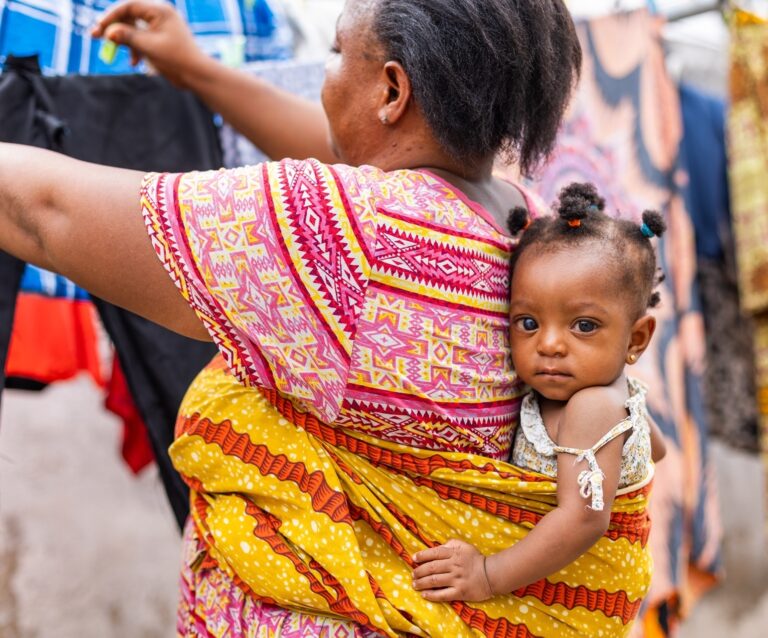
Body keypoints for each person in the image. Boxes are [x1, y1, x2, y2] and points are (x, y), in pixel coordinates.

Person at [0, 1, 656, 636]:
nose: (328, 73)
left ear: (393, 90)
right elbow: (361, 150)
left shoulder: (346, 231)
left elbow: (45, 212)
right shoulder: (527, 225)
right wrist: (197, 70)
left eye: (338, 51)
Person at [411, 182, 668, 603]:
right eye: (528, 323)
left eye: (583, 326)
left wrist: (487, 576)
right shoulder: (618, 391)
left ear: (636, 339)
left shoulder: (591, 407)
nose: (548, 344)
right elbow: (654, 450)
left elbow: (583, 521)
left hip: (574, 598)